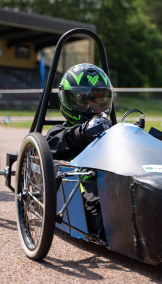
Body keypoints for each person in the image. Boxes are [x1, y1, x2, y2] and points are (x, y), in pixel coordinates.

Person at [46, 63, 113, 238]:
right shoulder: (58, 132)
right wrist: (83, 131)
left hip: (113, 186)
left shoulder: (112, 129)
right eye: (85, 100)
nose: (92, 108)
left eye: (98, 100)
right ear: (68, 99)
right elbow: (52, 147)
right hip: (80, 190)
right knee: (108, 220)